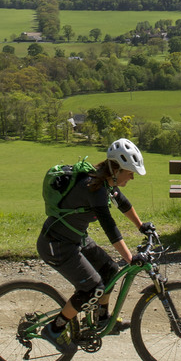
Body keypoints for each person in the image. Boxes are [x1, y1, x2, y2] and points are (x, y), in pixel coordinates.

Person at [37, 138, 154, 347]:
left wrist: (141, 226)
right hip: (56, 245)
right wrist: (129, 258)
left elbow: (123, 203)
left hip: (76, 239)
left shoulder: (106, 181)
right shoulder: (94, 187)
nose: (132, 177)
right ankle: (54, 329)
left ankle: (101, 319)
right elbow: (110, 227)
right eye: (130, 172)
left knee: (109, 269)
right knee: (91, 289)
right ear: (117, 170)